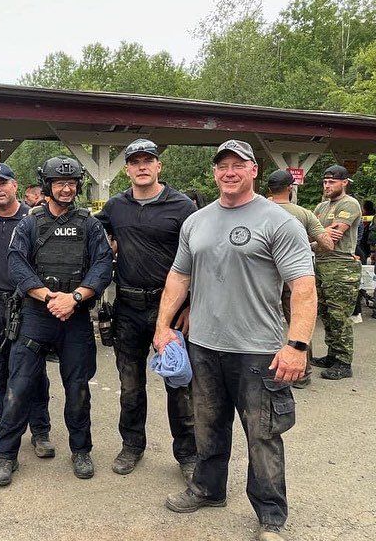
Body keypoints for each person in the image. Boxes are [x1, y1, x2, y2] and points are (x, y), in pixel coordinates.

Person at [154, 140, 316, 541]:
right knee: (207, 425)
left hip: (258, 350)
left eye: (238, 165)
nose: (229, 172)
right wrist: (163, 326)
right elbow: (179, 276)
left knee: (263, 434)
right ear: (214, 172)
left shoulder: (278, 222)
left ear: (253, 171)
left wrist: (297, 345)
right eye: (222, 165)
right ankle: (208, 489)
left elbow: (302, 286)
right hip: (204, 346)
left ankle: (270, 516)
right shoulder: (197, 221)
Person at [0, 156, 113, 486]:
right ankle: (6, 455)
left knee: (78, 390)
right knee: (19, 387)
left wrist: (75, 298)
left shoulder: (90, 225)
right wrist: (49, 297)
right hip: (36, 315)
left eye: (71, 183)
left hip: (75, 316)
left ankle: (81, 450)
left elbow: (103, 266)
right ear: (48, 186)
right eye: (60, 183)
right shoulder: (29, 224)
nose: (66, 188)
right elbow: (17, 266)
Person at [95, 138, 197, 481]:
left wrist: (191, 305)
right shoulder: (115, 206)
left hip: (170, 309)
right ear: (127, 169)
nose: (142, 166)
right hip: (127, 308)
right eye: (135, 161)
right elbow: (90, 233)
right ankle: (132, 445)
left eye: (148, 160)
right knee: (130, 386)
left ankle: (188, 454)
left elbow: (200, 259)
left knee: (179, 385)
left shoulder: (182, 206)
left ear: (158, 166)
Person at [0, 162, 52, 456]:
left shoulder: (34, 219)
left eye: (3, 183)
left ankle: (40, 430)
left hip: (28, 303)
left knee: (33, 371)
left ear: (15, 185)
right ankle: (4, 420)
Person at [267, 169, 334, 388]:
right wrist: (308, 246)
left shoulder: (257, 210)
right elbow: (328, 244)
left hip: (262, 278)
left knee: (261, 320)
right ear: (290, 188)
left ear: (269, 189)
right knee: (298, 320)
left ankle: (262, 368)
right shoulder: (304, 214)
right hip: (292, 277)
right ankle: (302, 372)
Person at [310, 164, 362, 380]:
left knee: (339, 316)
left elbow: (332, 239)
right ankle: (332, 355)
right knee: (326, 314)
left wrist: (315, 239)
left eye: (332, 182)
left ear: (344, 183)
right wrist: (319, 237)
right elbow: (316, 235)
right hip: (322, 265)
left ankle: (343, 362)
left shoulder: (349, 204)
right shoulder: (321, 207)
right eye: (325, 182)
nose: (327, 185)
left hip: (341, 267)